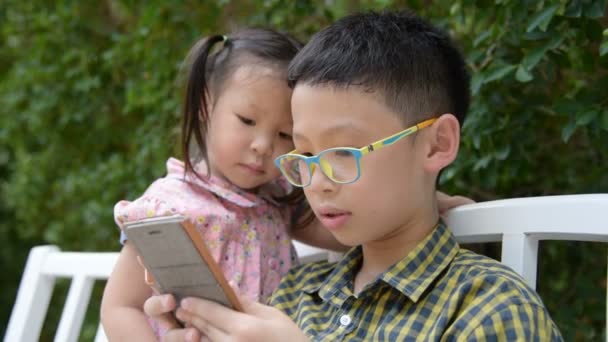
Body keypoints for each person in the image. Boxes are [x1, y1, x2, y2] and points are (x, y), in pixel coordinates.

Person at [144, 10, 563, 341]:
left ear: (436, 145)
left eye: (343, 152)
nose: (317, 182)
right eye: (304, 154)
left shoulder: (486, 307)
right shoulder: (293, 294)